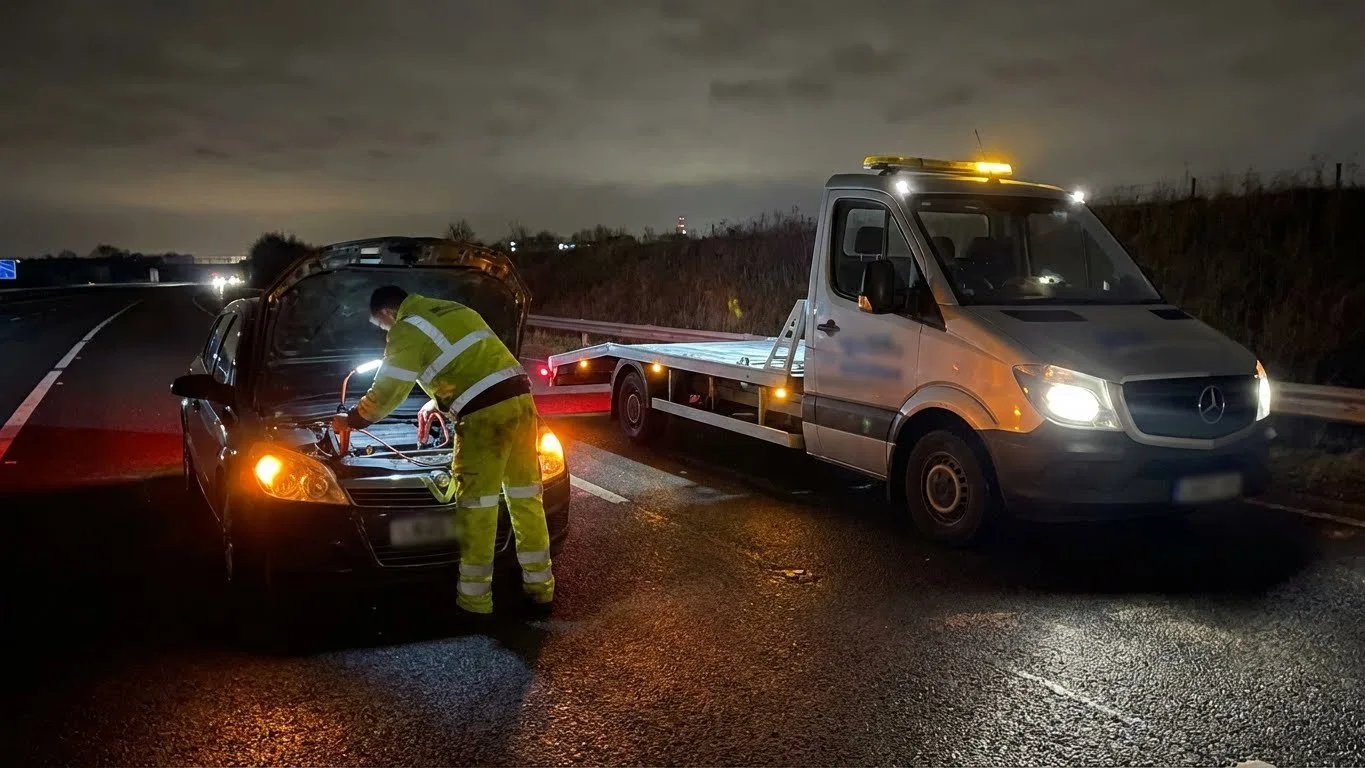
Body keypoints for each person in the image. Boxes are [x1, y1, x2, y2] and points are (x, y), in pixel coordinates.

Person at [331, 285, 554, 615]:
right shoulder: (453, 310)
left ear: (388, 314)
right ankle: (541, 590)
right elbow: (476, 364)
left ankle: (474, 602)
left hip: (485, 418)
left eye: (383, 327)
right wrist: (438, 400)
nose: (386, 332)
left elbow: (390, 386)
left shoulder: (407, 327)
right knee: (526, 499)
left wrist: (354, 419)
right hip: (520, 404)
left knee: (478, 506)